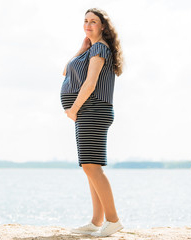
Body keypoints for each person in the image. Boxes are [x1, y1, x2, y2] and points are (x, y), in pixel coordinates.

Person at [60, 8, 124, 237]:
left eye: (93, 22)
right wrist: (81, 49)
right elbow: (66, 70)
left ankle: (113, 220)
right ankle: (97, 221)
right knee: (90, 167)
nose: (88, 25)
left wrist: (74, 109)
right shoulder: (91, 49)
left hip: (93, 109)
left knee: (91, 166)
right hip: (89, 111)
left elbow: (89, 84)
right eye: (85, 21)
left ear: (103, 26)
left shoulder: (99, 49)